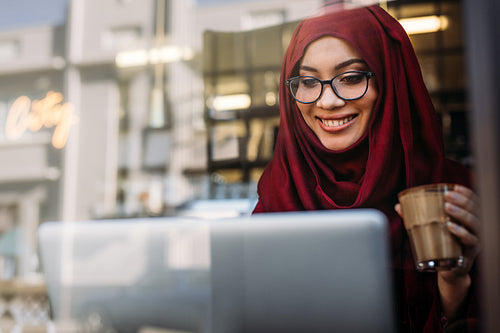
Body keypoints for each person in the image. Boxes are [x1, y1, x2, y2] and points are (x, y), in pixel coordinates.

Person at [253, 4, 481, 333]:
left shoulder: (453, 193)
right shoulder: (279, 196)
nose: (327, 102)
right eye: (307, 81)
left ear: (390, 81)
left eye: (351, 77)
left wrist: (455, 289)